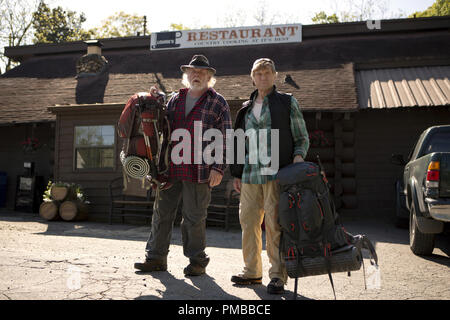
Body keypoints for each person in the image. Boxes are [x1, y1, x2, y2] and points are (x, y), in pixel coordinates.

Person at [134, 54, 232, 276]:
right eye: (192, 71)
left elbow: (225, 137)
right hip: (170, 167)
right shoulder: (175, 99)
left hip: (200, 170)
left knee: (194, 217)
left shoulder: (218, 102)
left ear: (209, 76)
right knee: (162, 213)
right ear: (186, 75)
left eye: (201, 72)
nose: (196, 75)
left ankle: (197, 262)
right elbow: (160, 126)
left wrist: (219, 167)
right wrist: (154, 100)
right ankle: (156, 258)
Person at [230, 58, 309, 294]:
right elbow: (238, 144)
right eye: (258, 73)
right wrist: (236, 173)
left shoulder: (287, 102)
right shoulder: (245, 107)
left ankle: (277, 275)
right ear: (252, 77)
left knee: (275, 225)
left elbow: (301, 137)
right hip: (250, 174)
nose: (263, 77)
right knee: (249, 223)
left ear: (274, 75)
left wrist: (297, 158)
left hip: (277, 173)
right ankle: (252, 271)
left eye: (267, 73)